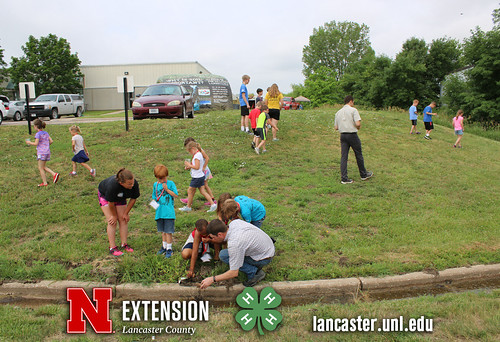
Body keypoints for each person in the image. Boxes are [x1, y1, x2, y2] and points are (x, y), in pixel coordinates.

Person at [199, 218, 275, 289]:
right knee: (226, 253)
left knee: (224, 256)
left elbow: (234, 272)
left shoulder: (235, 243)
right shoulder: (234, 223)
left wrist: (212, 279)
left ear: (219, 234)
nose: (212, 240)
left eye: (212, 237)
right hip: (268, 247)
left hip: (264, 257)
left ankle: (254, 272)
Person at [98, 168, 140, 256]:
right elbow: (111, 203)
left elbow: (133, 199)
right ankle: (112, 248)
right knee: (112, 221)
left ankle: (124, 244)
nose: (132, 185)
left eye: (132, 182)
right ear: (121, 183)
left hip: (120, 197)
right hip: (106, 197)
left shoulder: (134, 184)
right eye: (129, 184)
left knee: (123, 219)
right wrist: (113, 215)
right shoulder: (113, 186)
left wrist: (126, 213)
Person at [334, 95, 373, 184]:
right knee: (358, 154)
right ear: (351, 101)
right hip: (352, 135)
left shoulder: (338, 112)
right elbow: (358, 124)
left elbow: (336, 127)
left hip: (343, 135)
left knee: (344, 156)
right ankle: (363, 174)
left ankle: (344, 178)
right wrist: (356, 127)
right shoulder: (353, 110)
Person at [179, 141, 217, 212]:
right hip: (200, 176)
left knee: (190, 190)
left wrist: (189, 165)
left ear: (193, 148)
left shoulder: (197, 156)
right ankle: (213, 204)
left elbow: (196, 167)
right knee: (202, 191)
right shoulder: (199, 154)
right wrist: (189, 167)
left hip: (197, 177)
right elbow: (197, 166)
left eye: (189, 151)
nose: (190, 153)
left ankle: (188, 207)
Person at [152, 164, 178, 258]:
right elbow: (154, 197)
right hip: (159, 212)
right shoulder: (155, 185)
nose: (161, 180)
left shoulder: (170, 184)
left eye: (163, 178)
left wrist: (167, 190)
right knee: (162, 231)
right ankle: (164, 246)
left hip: (168, 213)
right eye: (159, 178)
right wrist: (153, 202)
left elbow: (175, 195)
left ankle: (169, 249)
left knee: (168, 232)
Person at [25, 119, 60, 187]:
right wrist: (46, 145)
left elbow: (36, 143)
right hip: (47, 152)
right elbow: (51, 141)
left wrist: (29, 142)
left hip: (41, 152)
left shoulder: (38, 134)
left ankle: (45, 182)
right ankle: (54, 174)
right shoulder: (46, 133)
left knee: (40, 168)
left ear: (36, 126)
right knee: (43, 166)